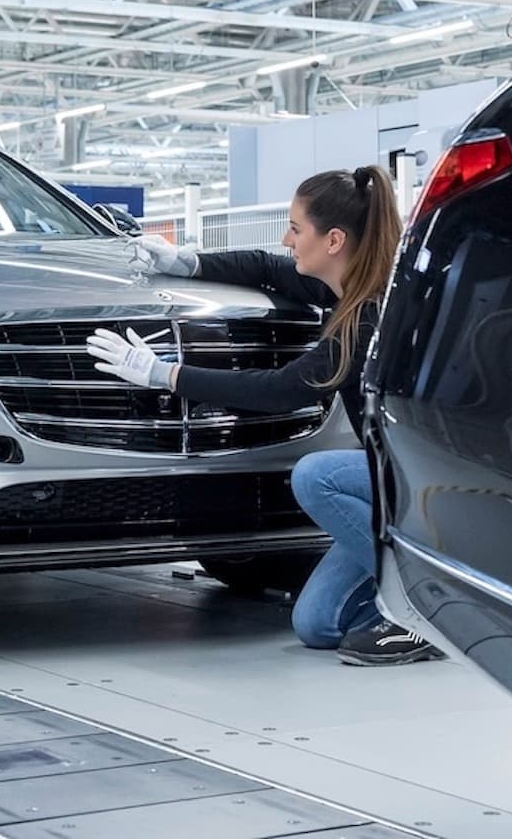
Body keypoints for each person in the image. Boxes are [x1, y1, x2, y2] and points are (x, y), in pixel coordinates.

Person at [86, 167, 439, 666]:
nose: (286, 238)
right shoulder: (352, 286)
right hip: (400, 488)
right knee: (316, 625)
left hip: (424, 490)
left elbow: (280, 390)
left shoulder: (367, 318)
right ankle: (422, 607)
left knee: (317, 476)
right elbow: (265, 267)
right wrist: (189, 262)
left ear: (333, 240)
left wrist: (167, 375)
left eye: (296, 229)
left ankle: (426, 608)